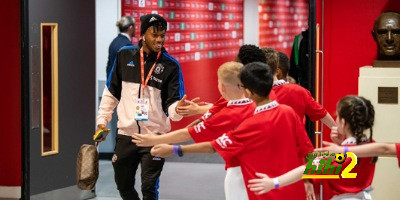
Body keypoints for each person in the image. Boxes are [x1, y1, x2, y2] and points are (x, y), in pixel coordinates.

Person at [150, 62, 313, 200]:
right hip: (289, 188)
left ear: (248, 92)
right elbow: (315, 156)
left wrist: (173, 148)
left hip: (267, 190)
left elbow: (212, 147)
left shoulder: (252, 124)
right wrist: (308, 180)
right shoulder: (288, 112)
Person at [132, 61, 256, 200]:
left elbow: (190, 135)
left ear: (221, 86)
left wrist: (154, 140)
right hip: (262, 170)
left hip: (240, 172)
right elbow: (200, 123)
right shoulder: (255, 104)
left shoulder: (228, 114)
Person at [95, 13, 186, 200]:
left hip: (155, 135)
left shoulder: (171, 66)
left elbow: (172, 104)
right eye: (155, 35)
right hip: (127, 134)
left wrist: (178, 110)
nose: (159, 39)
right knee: (123, 185)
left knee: (149, 187)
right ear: (143, 34)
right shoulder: (124, 55)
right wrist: (102, 121)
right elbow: (111, 94)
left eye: (163, 35)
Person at [250, 95, 377, 200]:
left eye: (337, 116)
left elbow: (305, 169)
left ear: (343, 122)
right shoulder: (371, 145)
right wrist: (340, 144)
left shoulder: (338, 155)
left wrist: (273, 183)